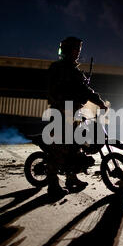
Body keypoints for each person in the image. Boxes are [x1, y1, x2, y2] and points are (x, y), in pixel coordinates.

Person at [46, 36, 107, 195]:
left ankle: (71, 177)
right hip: (62, 111)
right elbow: (80, 90)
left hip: (73, 111)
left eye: (79, 50)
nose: (78, 53)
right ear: (68, 50)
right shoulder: (62, 68)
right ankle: (52, 184)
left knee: (75, 146)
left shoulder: (71, 69)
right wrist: (98, 101)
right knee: (59, 148)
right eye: (76, 49)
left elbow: (81, 90)